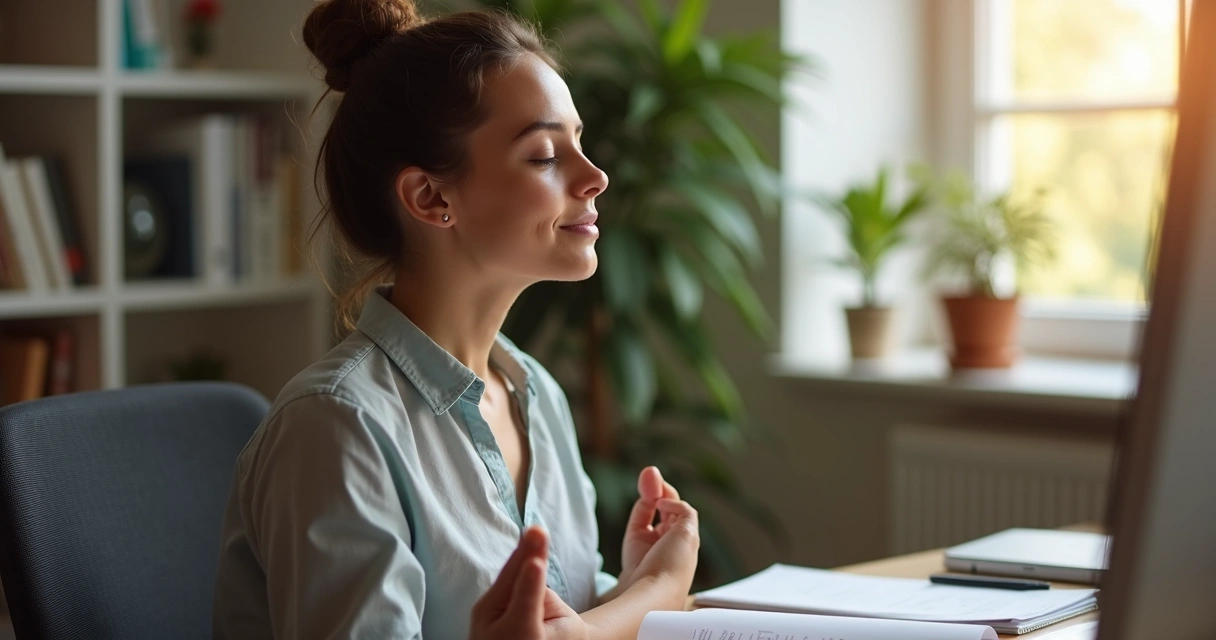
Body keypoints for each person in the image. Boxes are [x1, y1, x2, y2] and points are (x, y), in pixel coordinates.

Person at [210, 1, 701, 638]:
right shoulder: (336, 427)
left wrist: (632, 586)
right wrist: (660, 591)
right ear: (431, 197)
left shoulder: (535, 393)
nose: (596, 177)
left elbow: (565, 621)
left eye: (579, 143)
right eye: (545, 156)